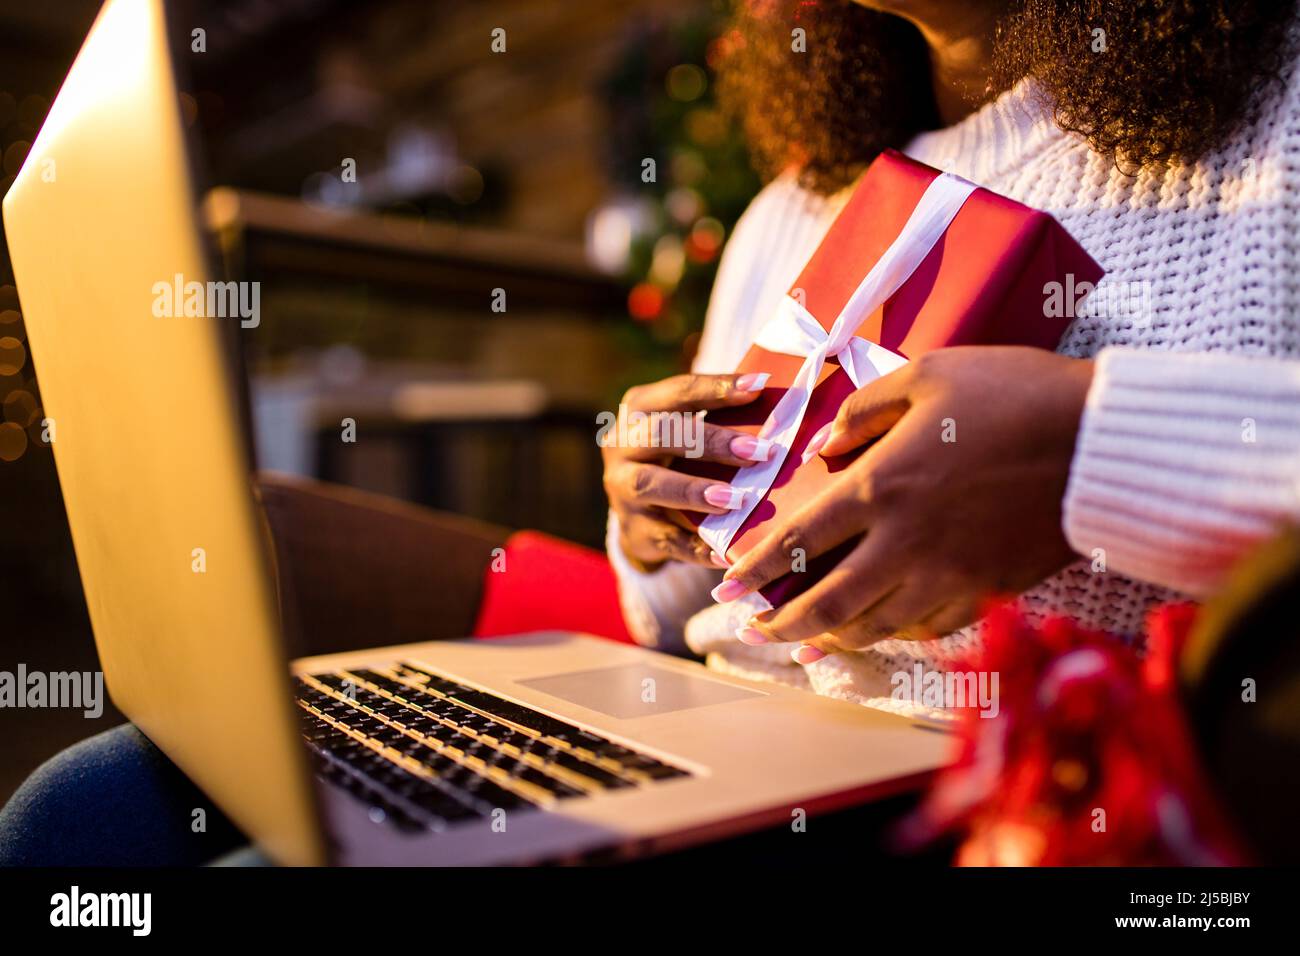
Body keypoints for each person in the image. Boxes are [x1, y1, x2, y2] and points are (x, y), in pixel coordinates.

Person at [603, 0, 1300, 711]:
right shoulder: (787, 210)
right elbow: (685, 615)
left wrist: (1085, 446)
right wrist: (656, 524)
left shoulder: (1281, 117)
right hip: (719, 737)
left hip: (1049, 791)